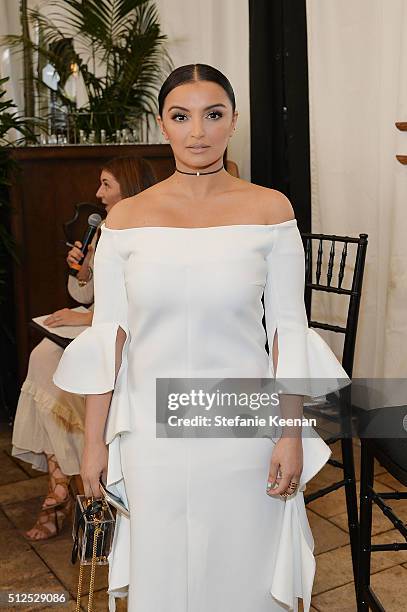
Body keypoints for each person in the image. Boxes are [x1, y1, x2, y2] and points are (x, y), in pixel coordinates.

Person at [53, 64, 350, 612]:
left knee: (242, 574)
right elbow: (109, 338)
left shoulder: (270, 209)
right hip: (149, 433)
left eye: (213, 115)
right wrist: (94, 441)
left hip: (242, 431)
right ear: (162, 124)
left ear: (232, 121)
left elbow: (287, 330)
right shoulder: (126, 219)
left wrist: (288, 433)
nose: (197, 132)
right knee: (164, 576)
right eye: (181, 116)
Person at [12, 156, 156, 541]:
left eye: (106, 184)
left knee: (51, 366)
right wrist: (83, 271)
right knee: (43, 357)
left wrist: (85, 319)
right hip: (98, 321)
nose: (98, 193)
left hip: (132, 334)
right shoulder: (104, 229)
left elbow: (141, 303)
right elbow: (84, 294)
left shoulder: (151, 228)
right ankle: (63, 481)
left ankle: (65, 490)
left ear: (128, 186)